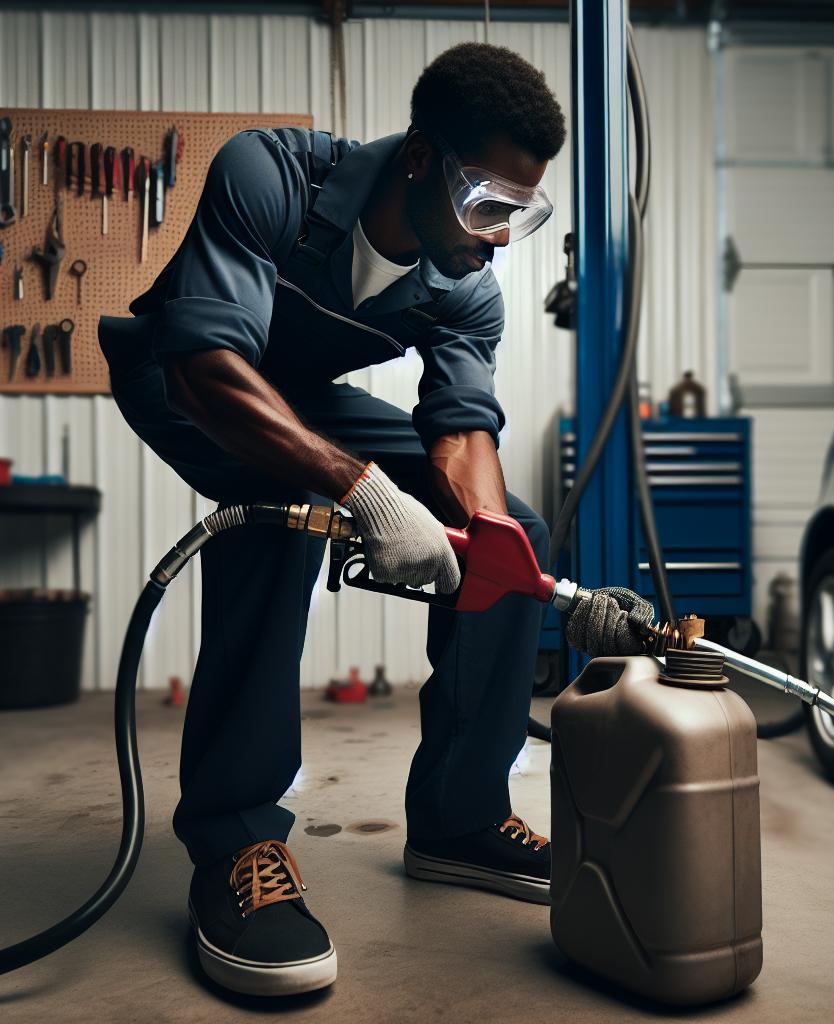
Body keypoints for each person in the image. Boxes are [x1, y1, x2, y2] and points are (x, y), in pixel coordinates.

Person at [98, 43, 566, 997]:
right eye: (488, 205)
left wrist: (484, 542)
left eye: (522, 214)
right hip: (185, 376)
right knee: (285, 511)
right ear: (422, 159)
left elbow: (462, 429)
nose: (500, 239)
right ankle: (235, 841)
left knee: (518, 535)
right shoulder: (269, 175)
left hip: (303, 397)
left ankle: (462, 818)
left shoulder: (466, 284)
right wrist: (364, 493)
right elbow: (207, 369)